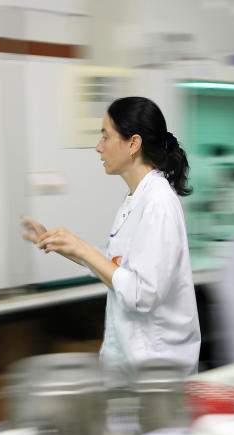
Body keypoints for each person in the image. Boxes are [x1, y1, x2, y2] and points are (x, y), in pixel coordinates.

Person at [21, 96, 201, 380]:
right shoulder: (135, 199)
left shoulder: (158, 203)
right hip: (133, 365)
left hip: (157, 373)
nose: (98, 147)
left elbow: (143, 294)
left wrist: (81, 247)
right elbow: (118, 267)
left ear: (133, 144)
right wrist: (62, 245)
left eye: (106, 136)